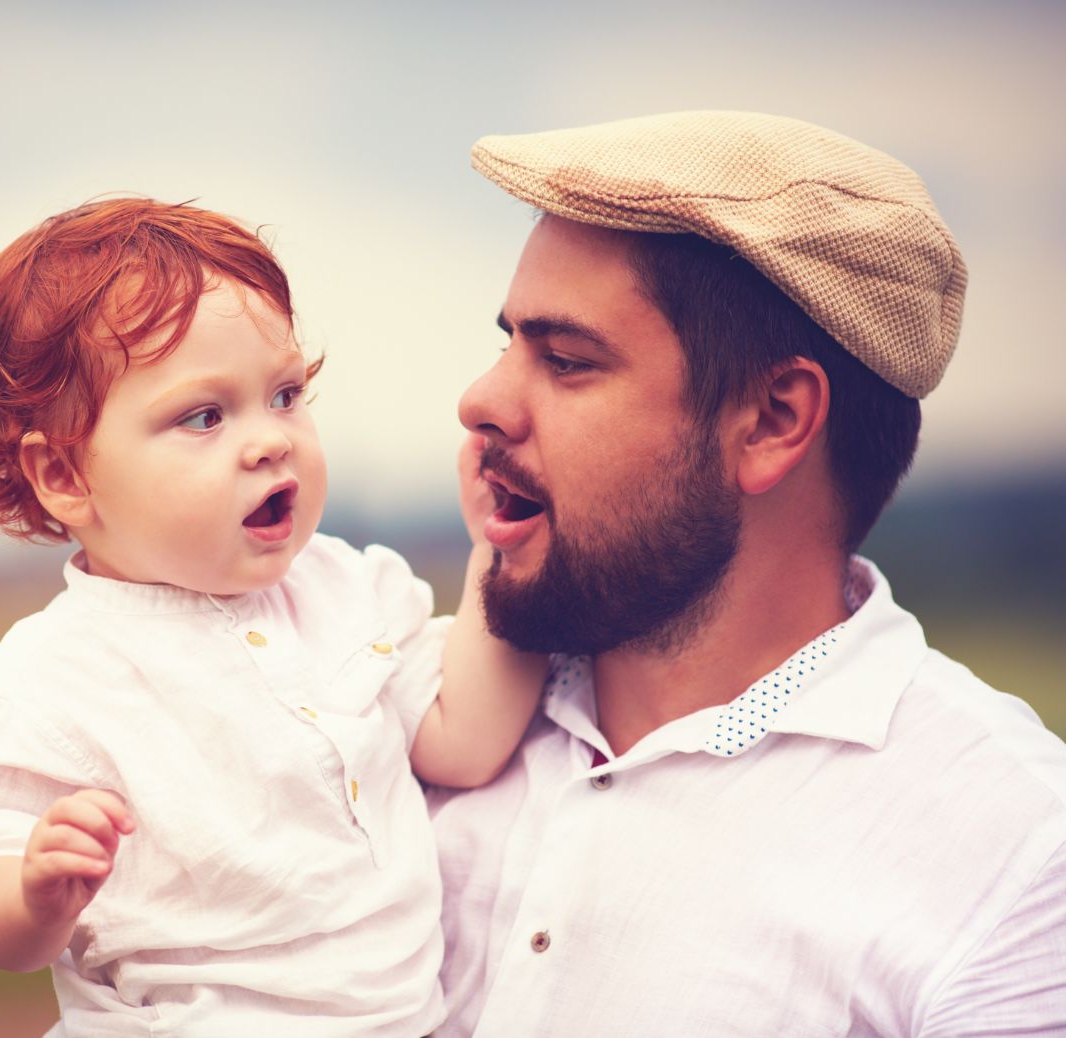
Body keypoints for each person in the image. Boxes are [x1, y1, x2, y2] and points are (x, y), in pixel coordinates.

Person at [432, 110, 1066, 1035]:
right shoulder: (389, 711)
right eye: (508, 344)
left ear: (772, 419)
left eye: (565, 360)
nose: (481, 399)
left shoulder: (1017, 855)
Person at [0, 198, 544, 1036]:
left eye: (284, 395)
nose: (269, 440)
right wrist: (33, 893)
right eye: (203, 416)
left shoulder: (344, 592)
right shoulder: (56, 679)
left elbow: (462, 744)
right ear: (65, 476)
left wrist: (504, 556)